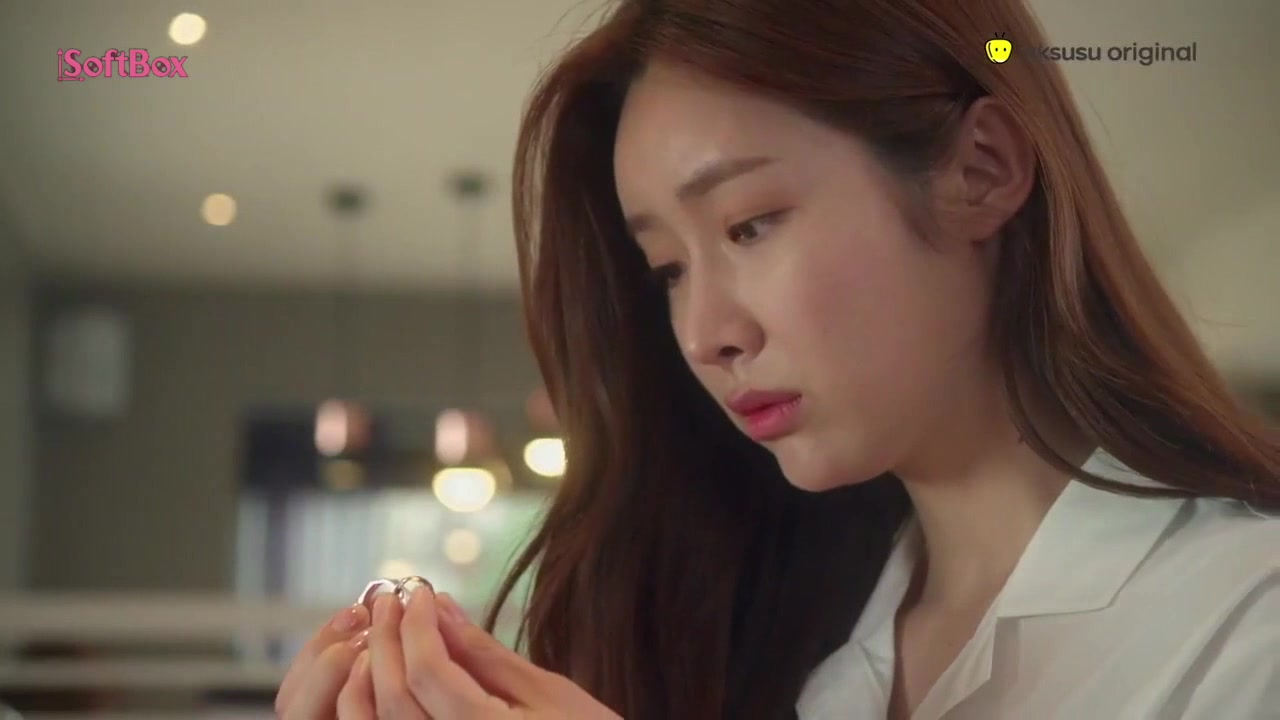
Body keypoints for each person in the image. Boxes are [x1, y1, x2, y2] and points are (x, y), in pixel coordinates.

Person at [274, 0, 1280, 717]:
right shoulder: (783, 643)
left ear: (982, 171)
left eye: (749, 225)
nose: (702, 332)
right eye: (667, 269)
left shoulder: (1242, 617)